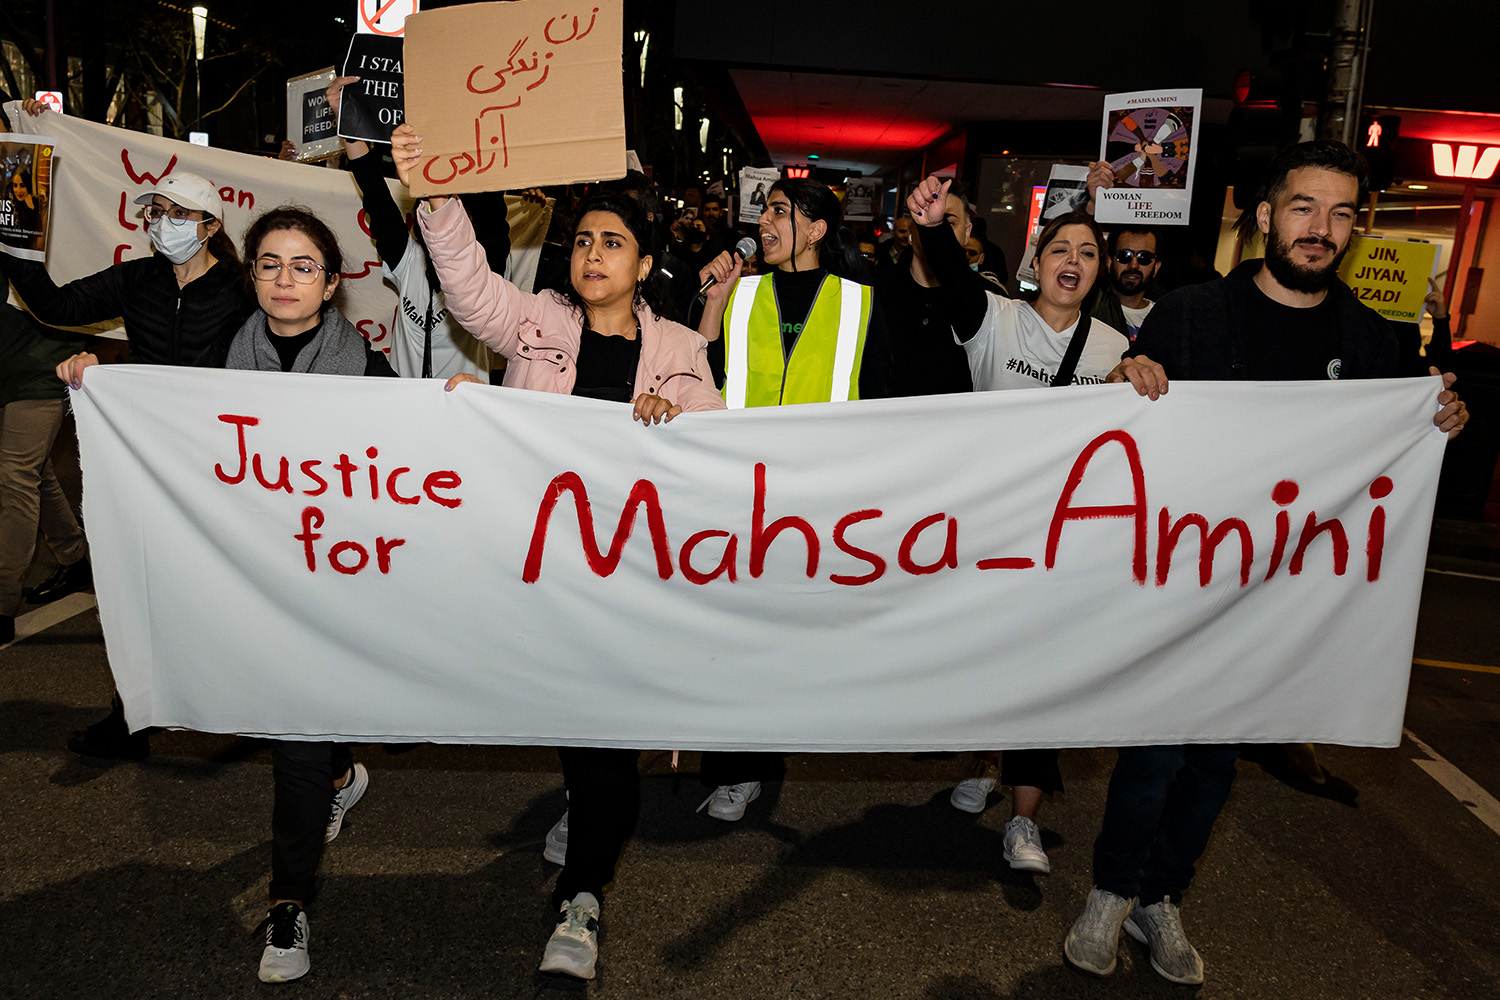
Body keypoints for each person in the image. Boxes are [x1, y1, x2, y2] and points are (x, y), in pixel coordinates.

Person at [1072, 140, 1468, 987]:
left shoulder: (1376, 343)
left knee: (1215, 763)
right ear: (1264, 216)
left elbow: (1405, 463)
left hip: (1283, 606)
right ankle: (1110, 891)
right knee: (1152, 753)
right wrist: (1126, 376)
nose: (1320, 229)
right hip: (1179, 586)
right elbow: (1122, 432)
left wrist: (1439, 418)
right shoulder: (1189, 314)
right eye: (1303, 207)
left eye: (1339, 214)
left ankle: (1161, 899)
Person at [390, 121, 726, 984]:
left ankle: (583, 899)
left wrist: (675, 428)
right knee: (580, 728)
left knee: (609, 737)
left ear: (645, 264)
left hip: (634, 578)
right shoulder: (536, 322)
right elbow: (466, 288)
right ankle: (585, 809)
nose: (593, 253)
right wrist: (435, 195)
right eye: (583, 241)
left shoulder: (684, 351)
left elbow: (718, 461)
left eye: (614, 242)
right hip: (548, 573)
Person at [17, 100, 253, 759]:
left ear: (208, 226)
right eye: (158, 211)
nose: (164, 223)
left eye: (179, 214)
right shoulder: (138, 277)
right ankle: (131, 719)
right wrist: (15, 243)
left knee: (224, 587)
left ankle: (260, 701)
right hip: (149, 462)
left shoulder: (241, 288)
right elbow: (57, 305)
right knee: (137, 589)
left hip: (221, 461)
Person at [907, 175, 1128, 876]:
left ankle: (1024, 820)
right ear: (1033, 264)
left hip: (1066, 543)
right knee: (987, 663)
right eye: (1059, 248)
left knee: (1044, 673)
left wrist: (1145, 374)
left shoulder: (1114, 347)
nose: (1073, 260)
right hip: (989, 532)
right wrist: (934, 225)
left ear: (1099, 270)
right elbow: (947, 271)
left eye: (1088, 252)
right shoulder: (993, 318)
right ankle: (986, 756)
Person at [692, 177, 889, 821]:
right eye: (767, 208)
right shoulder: (741, 293)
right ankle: (734, 767)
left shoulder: (861, 304)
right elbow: (700, 377)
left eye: (781, 210)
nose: (766, 220)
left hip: (819, 507)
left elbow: (891, 402)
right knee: (732, 640)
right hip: (741, 499)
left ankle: (767, 748)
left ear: (816, 228)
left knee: (785, 645)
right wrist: (713, 303)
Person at [226, 206, 388, 983]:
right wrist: (94, 375)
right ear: (251, 273)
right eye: (269, 263)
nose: (284, 279)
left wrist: (462, 403)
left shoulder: (366, 369)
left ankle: (287, 901)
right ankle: (335, 777)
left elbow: (422, 452)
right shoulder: (224, 357)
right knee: (299, 742)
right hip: (263, 582)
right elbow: (151, 391)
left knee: (299, 739)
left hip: (339, 586)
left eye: (302, 266)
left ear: (331, 283)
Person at [324, 75, 509, 380]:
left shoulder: (487, 270)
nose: (442, 221)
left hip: (463, 414)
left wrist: (485, 108)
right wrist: (350, 121)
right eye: (433, 212)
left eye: (453, 214)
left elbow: (492, 211)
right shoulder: (408, 261)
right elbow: (376, 196)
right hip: (403, 412)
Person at [0, 255, 88, 645]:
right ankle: (73, 556)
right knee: (34, 470)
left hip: (42, 365)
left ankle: (2, 605)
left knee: (14, 477)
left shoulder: (45, 207)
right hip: (8, 359)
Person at [875, 177, 980, 397]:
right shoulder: (875, 289)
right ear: (912, 233)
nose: (936, 229)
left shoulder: (984, 299)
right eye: (929, 221)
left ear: (967, 232)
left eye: (947, 223)